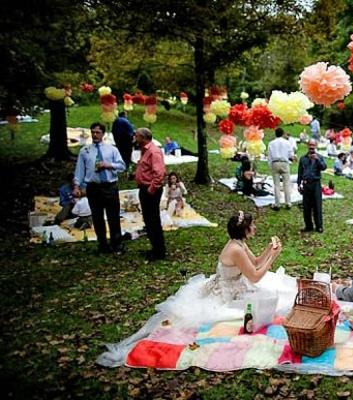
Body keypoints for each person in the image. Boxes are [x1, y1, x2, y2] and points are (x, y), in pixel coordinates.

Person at [96, 211, 297, 368]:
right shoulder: (235, 249)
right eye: (251, 225)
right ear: (244, 230)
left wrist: (269, 251)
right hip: (228, 294)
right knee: (272, 300)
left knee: (277, 292)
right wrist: (274, 257)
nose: (254, 227)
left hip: (236, 284)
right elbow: (254, 275)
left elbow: (254, 262)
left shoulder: (239, 243)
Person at [73, 122, 126, 254]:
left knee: (113, 216)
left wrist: (108, 165)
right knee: (97, 217)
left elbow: (122, 166)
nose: (95, 135)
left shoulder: (111, 149)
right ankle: (102, 244)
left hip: (109, 186)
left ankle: (116, 243)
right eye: (93, 132)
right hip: (94, 187)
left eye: (97, 132)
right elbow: (79, 170)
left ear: (103, 134)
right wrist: (76, 186)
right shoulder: (85, 151)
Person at [134, 127, 166, 261]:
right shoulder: (145, 150)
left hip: (150, 190)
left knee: (153, 220)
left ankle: (159, 251)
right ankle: (154, 247)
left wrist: (150, 190)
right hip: (145, 188)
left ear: (143, 137)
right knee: (148, 220)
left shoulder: (154, 151)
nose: (135, 138)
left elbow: (159, 174)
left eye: (136, 136)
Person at [298, 138, 327, 233]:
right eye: (310, 145)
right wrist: (299, 183)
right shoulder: (303, 158)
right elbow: (300, 172)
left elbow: (324, 167)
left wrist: (317, 160)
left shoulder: (319, 157)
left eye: (313, 145)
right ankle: (308, 226)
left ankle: (319, 226)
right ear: (307, 145)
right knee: (306, 206)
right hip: (306, 184)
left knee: (317, 205)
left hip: (316, 184)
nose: (311, 147)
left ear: (316, 146)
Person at [267, 127, 295, 210]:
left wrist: (270, 165)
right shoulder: (287, 143)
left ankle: (277, 203)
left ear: (275, 134)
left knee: (276, 185)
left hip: (275, 162)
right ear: (283, 134)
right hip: (284, 163)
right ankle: (288, 202)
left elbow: (269, 155)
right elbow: (291, 155)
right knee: (286, 183)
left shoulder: (271, 143)